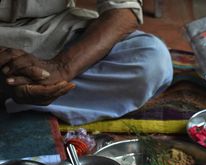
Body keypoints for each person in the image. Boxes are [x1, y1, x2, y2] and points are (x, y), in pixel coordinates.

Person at [0, 0, 173, 125]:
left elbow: (123, 11)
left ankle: (24, 90)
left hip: (56, 32)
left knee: (152, 62)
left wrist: (62, 68)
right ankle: (19, 93)